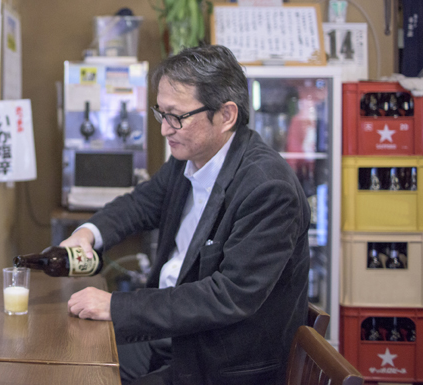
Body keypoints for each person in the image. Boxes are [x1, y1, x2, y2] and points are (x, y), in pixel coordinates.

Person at [62, 45, 310, 385]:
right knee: (69, 358)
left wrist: (117, 307)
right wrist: (88, 233)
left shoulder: (268, 188)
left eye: (176, 117)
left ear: (226, 115)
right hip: (172, 337)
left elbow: (228, 295)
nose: (165, 129)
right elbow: (141, 204)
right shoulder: (190, 157)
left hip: (219, 362)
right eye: (161, 113)